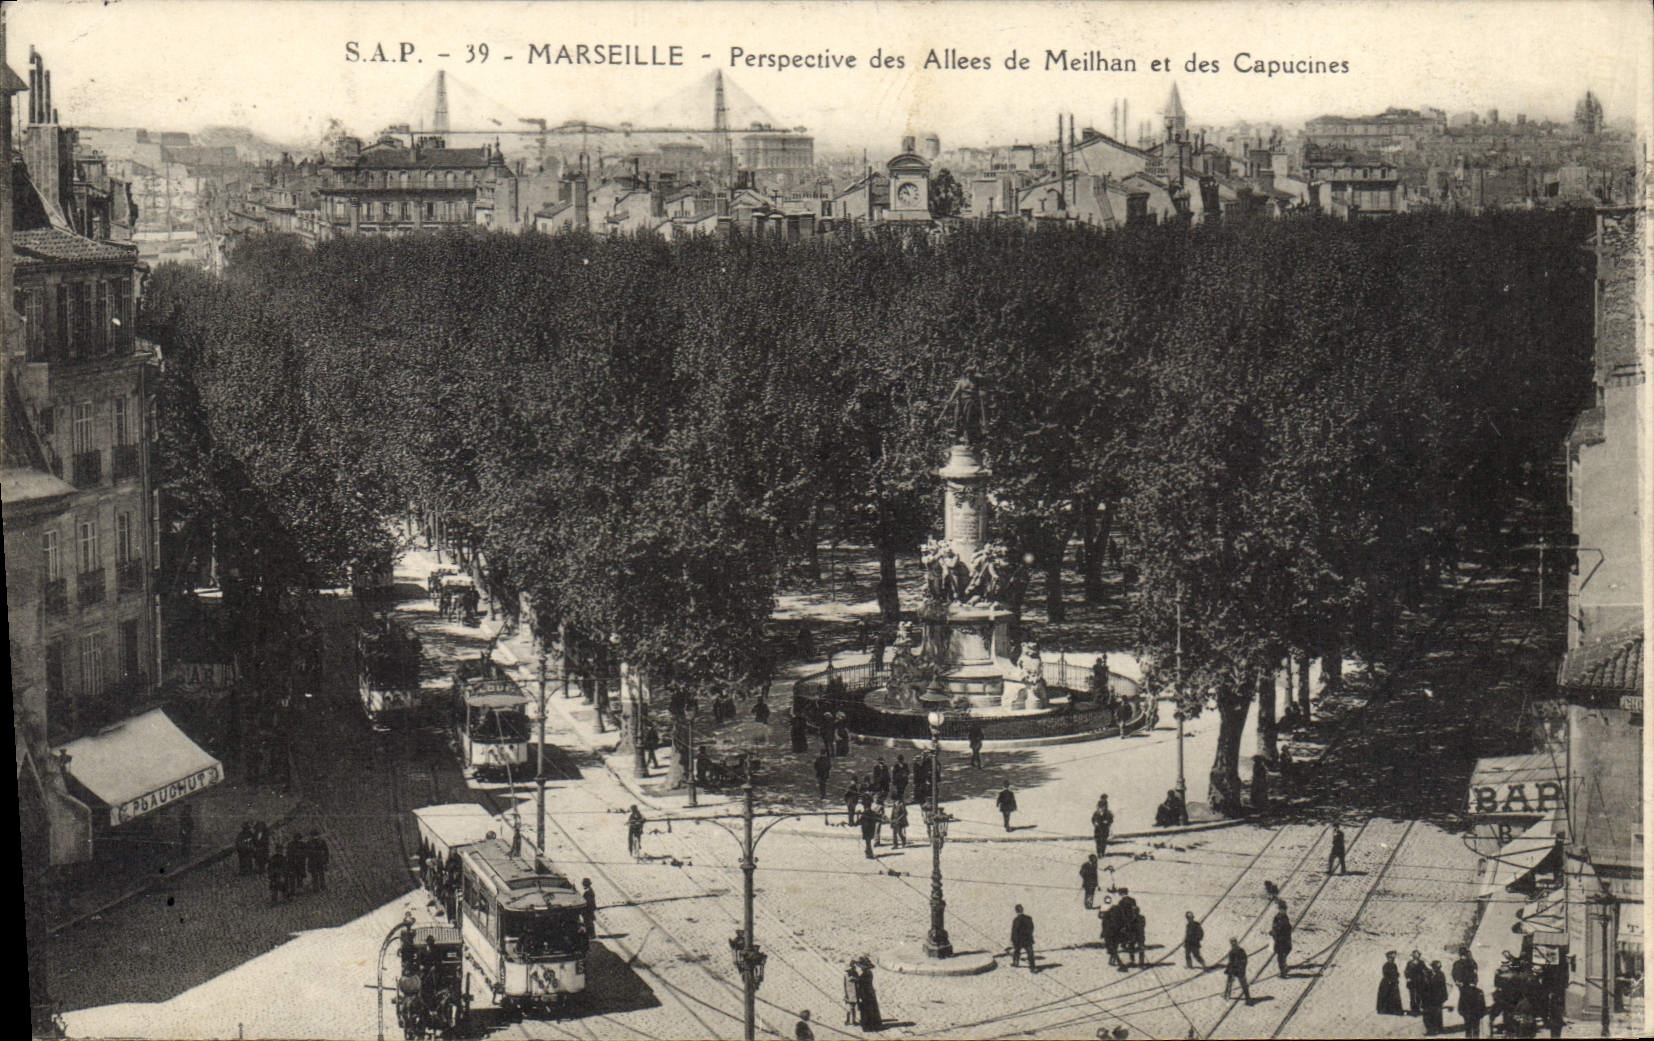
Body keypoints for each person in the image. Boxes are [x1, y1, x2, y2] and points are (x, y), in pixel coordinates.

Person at [848, 956, 883, 1031]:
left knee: (866, 1009)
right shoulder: (867, 972)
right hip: (869, 992)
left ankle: (869, 1026)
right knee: (871, 1009)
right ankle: (873, 1024)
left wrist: (856, 980)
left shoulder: (866, 973)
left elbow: (862, 981)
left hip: (866, 993)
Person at [1117, 889, 1145, 967]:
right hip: (1140, 934)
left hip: (1128, 922)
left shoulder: (1121, 902)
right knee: (1141, 947)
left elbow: (1121, 913)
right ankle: (1141, 962)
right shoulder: (1133, 900)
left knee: (1131, 944)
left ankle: (1132, 961)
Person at [1422, 960, 1448, 1034]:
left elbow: (1441, 987)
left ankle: (1438, 1029)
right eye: (1433, 967)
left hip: (1437, 998)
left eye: (1436, 967)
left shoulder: (1440, 975)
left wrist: (1443, 998)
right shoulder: (1430, 974)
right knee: (1429, 1014)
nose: (1434, 968)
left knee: (1437, 1014)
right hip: (1429, 998)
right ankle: (1431, 1029)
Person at [1223, 938, 1252, 1003]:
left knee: (1243, 983)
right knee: (1229, 982)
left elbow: (1244, 961)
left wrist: (1242, 968)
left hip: (1239, 970)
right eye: (1232, 944)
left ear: (1236, 943)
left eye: (1234, 943)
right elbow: (1230, 962)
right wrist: (1228, 969)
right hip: (1233, 969)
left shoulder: (1241, 951)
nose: (1233, 945)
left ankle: (1247, 997)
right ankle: (1227, 995)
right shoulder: (1231, 952)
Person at [1271, 901, 1294, 978]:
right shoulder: (1278, 918)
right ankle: (1283, 973)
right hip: (1280, 941)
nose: (1283, 911)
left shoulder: (1285, 917)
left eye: (1284, 909)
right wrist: (1275, 933)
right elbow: (1275, 928)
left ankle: (1284, 968)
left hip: (1285, 940)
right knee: (1281, 957)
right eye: (1282, 909)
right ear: (1279, 909)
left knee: (1286, 952)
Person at [1010, 904, 1036, 970]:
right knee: (1030, 953)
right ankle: (1032, 966)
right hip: (1027, 938)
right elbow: (1032, 928)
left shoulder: (1016, 920)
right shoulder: (1028, 918)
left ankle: (1016, 963)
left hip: (1019, 940)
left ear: (1016, 911)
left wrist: (1013, 940)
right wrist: (1029, 935)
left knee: (1017, 951)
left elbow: (1014, 931)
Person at [1405, 950, 1428, 1016]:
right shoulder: (1409, 963)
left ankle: (1418, 1009)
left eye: (1417, 954)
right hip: (1412, 981)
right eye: (1414, 954)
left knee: (1419, 995)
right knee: (1412, 996)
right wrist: (1408, 977)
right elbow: (1406, 971)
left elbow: (1425, 969)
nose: (1415, 955)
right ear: (1412, 955)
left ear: (1419, 955)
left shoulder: (1421, 962)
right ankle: (1413, 1009)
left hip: (1420, 981)